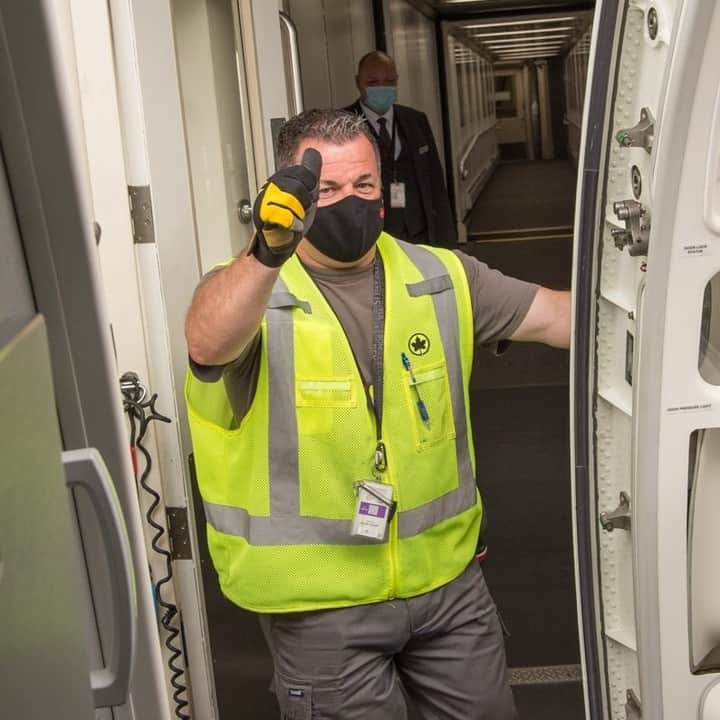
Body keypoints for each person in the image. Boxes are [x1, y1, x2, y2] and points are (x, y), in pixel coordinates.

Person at [184, 109, 571, 720]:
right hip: (321, 609)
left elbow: (561, 316)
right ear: (290, 193)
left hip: (448, 590)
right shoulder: (254, 291)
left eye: (364, 185)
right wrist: (265, 253)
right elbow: (207, 341)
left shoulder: (440, 276)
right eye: (327, 190)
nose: (349, 202)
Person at [345, 50, 457, 248]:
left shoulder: (416, 120)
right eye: (373, 82)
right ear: (357, 82)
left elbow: (435, 182)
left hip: (419, 232)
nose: (382, 88)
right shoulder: (344, 124)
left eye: (389, 81)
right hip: (375, 235)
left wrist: (448, 242)